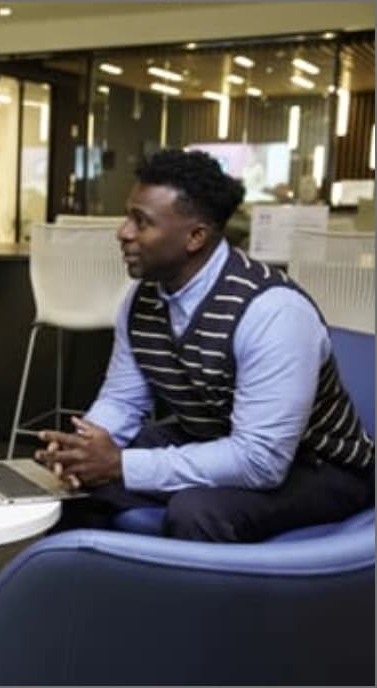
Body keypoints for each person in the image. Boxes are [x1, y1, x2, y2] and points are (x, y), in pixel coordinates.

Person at [35, 149, 374, 542]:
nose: (123, 232)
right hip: (215, 436)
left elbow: (261, 461)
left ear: (195, 236)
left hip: (317, 466)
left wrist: (121, 465)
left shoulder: (273, 312)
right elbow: (123, 401)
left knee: (197, 512)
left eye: (141, 222)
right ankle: (77, 599)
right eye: (128, 216)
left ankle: (185, 606)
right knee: (74, 476)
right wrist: (85, 449)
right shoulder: (142, 299)